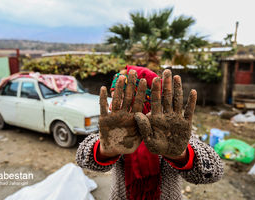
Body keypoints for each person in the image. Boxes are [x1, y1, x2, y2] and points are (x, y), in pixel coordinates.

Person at [76, 65, 223, 200]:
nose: (111, 107)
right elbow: (82, 158)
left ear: (141, 102)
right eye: (113, 100)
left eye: (119, 100)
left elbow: (215, 172)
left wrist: (182, 155)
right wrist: (104, 151)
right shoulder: (116, 133)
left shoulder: (173, 132)